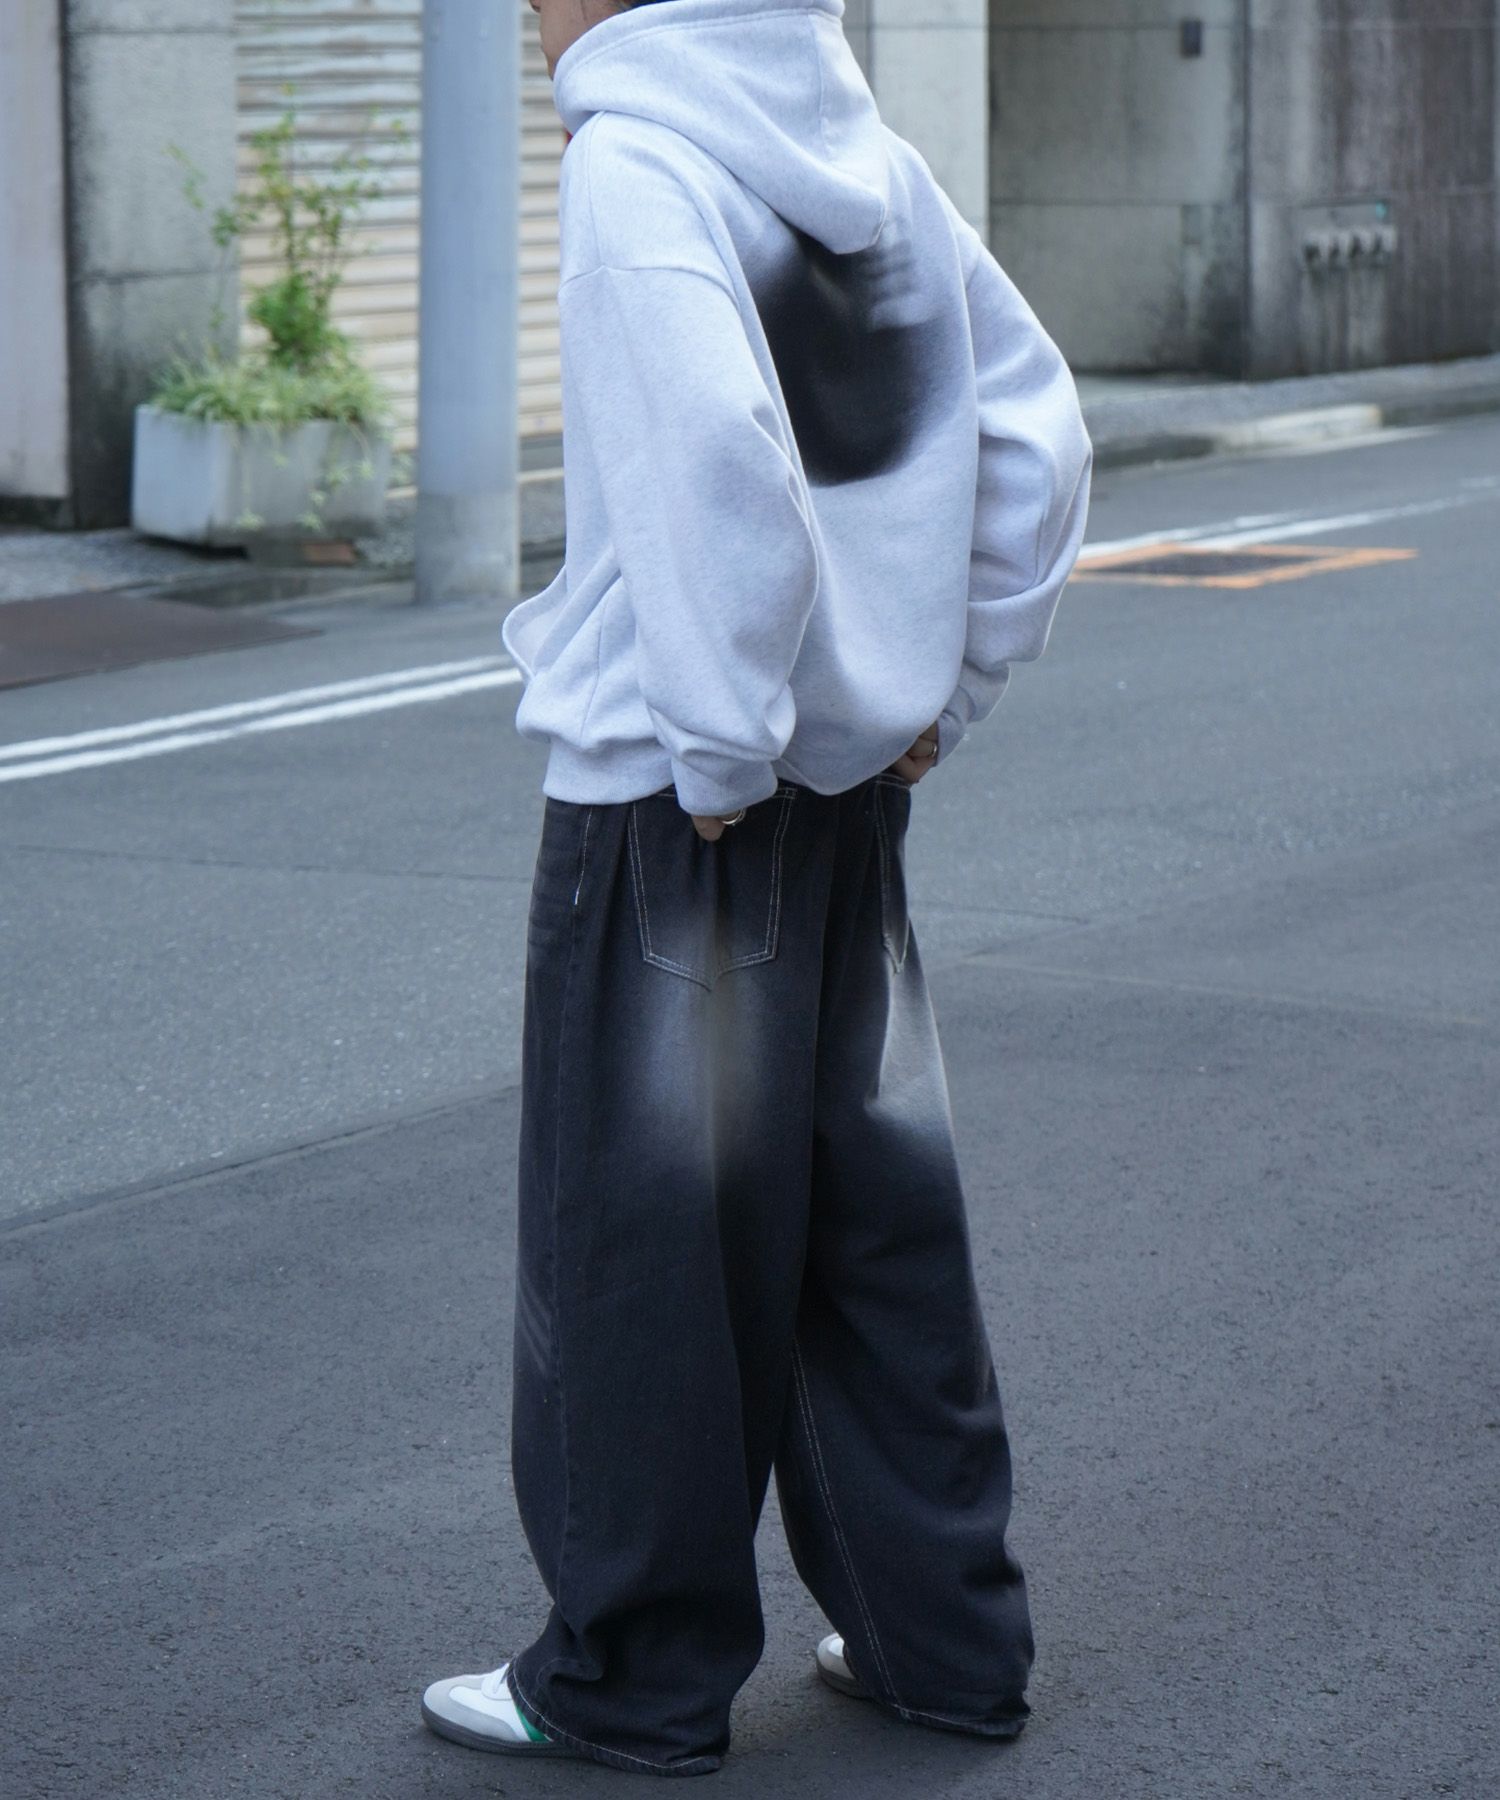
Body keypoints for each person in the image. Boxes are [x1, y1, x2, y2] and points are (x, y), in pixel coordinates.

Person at [421, 0, 1092, 1774]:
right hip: (853, 794)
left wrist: (724, 744)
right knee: (871, 1226)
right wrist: (951, 683)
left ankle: (630, 1679)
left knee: (641, 1248)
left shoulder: (638, 157)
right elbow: (1039, 429)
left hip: (679, 809)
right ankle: (944, 1640)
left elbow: (718, 454)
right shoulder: (867, 158)